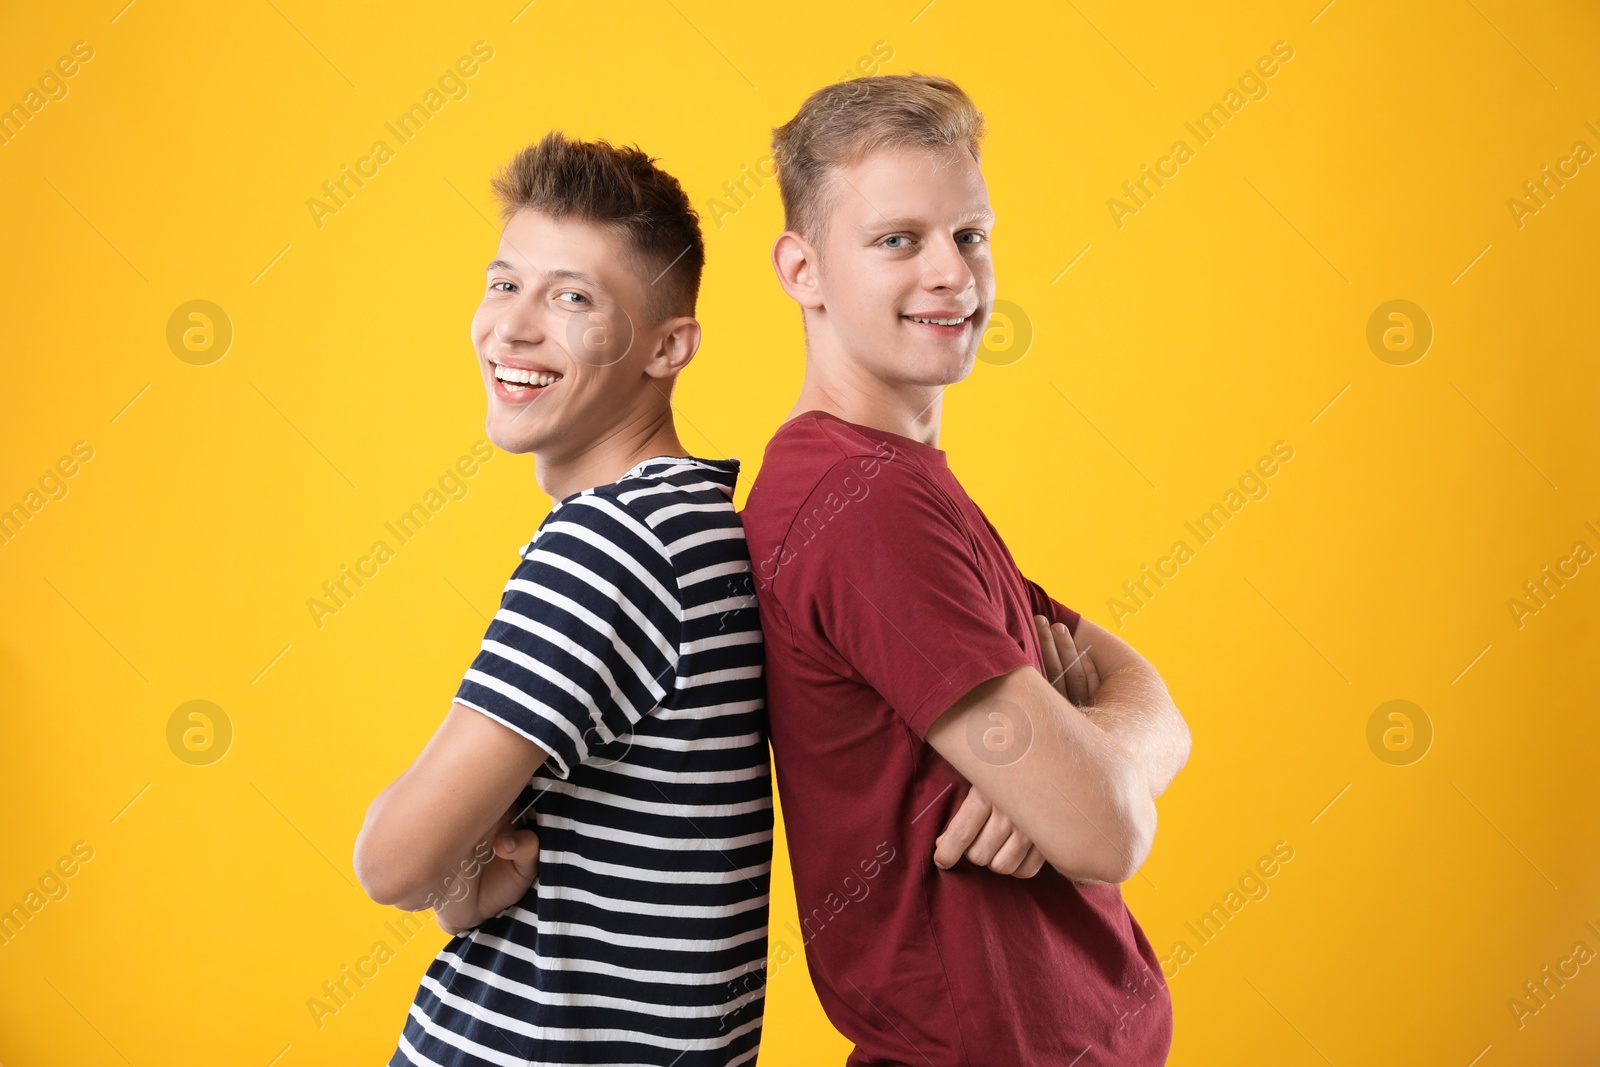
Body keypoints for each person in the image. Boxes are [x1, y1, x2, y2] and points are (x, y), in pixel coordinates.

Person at [738, 74, 1192, 1065]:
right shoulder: (863, 509)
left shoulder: (906, 485)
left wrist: (1082, 740)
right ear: (802, 269)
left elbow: (1155, 702)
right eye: (898, 239)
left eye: (970, 234)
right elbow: (1108, 829)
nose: (953, 273)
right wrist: (1067, 780)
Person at [352, 131, 771, 1067]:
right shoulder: (698, 520)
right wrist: (466, 868)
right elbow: (482, 871)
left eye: (572, 297)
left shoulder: (608, 543)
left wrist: (448, 859)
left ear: (669, 347)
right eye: (505, 283)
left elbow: (394, 862)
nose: (511, 327)